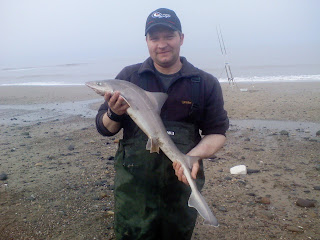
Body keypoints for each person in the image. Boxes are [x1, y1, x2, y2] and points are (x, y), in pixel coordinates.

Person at [95, 8, 229, 240]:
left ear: (181, 38)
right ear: (147, 41)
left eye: (169, 36)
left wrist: (193, 156)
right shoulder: (129, 77)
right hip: (134, 189)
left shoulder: (204, 83)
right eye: (154, 38)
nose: (162, 44)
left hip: (180, 185)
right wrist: (115, 114)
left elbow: (217, 132)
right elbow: (104, 128)